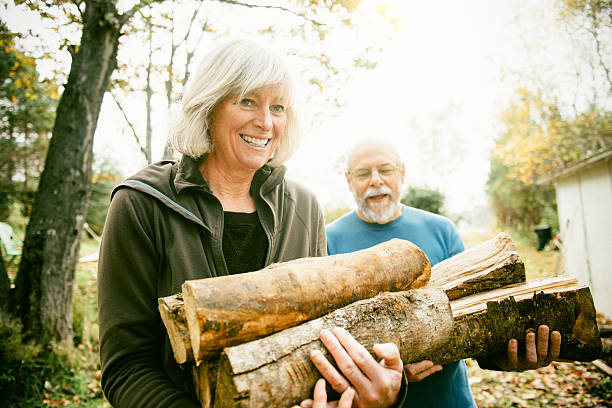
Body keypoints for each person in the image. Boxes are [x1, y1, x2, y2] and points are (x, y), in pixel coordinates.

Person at [97, 40, 402, 407]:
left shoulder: (303, 207)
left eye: (278, 107)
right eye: (247, 101)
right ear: (208, 106)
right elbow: (127, 368)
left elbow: (323, 336)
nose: (266, 122)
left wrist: (379, 395)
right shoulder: (141, 203)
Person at [324, 138, 562, 408]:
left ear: (401, 173)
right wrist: (391, 372)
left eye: (385, 170)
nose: (376, 180)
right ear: (348, 180)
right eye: (363, 173)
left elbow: (479, 316)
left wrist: (508, 356)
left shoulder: (442, 230)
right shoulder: (327, 240)